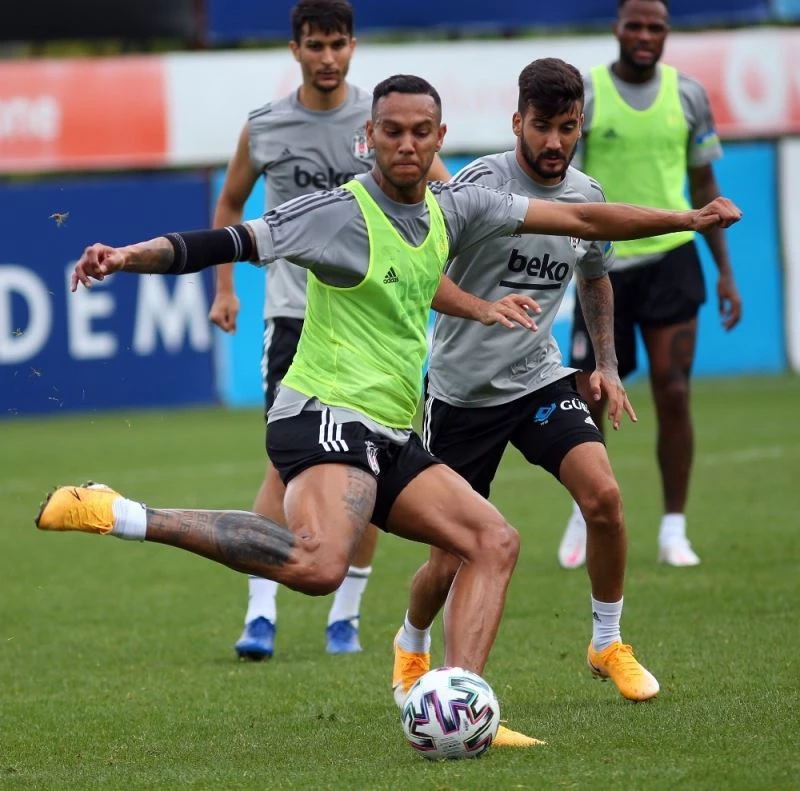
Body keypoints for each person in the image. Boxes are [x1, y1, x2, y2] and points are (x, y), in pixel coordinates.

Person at [37, 74, 741, 747]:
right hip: (324, 411)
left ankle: (463, 704)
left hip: (392, 429)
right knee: (319, 567)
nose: (408, 144)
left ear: (440, 138)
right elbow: (232, 240)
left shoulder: (454, 207)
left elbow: (583, 218)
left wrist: (688, 217)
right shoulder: (336, 213)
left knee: (493, 541)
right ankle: (122, 513)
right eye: (393, 131)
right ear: (369, 136)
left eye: (421, 132)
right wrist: (128, 256)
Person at [391, 57, 660, 712]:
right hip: (461, 394)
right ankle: (411, 641)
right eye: (542, 126)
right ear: (517, 121)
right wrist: (482, 308)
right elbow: (424, 271)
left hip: (538, 380)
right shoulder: (480, 185)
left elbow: (595, 275)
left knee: (604, 498)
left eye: (567, 127)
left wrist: (606, 364)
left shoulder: (587, 196)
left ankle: (607, 641)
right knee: (448, 559)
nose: (554, 142)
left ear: (580, 124)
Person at [208, 0, 450, 659]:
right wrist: (225, 289)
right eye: (314, 45)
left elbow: (445, 198)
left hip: (377, 317)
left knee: (368, 462)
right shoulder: (266, 125)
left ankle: (346, 615)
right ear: (295, 50)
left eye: (337, 43)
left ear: (352, 46)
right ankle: (261, 611)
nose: (327, 57)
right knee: (282, 462)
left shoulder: (383, 120)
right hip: (295, 314)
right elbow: (230, 203)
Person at [559, 0, 743, 570]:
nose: (644, 35)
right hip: (601, 264)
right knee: (590, 395)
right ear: (617, 28)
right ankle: (585, 513)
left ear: (666, 32)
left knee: (675, 391)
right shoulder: (587, 93)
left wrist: (725, 271)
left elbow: (702, 180)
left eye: (655, 27)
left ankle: (673, 529)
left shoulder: (688, 94)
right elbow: (563, 178)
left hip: (672, 259)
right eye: (634, 25)